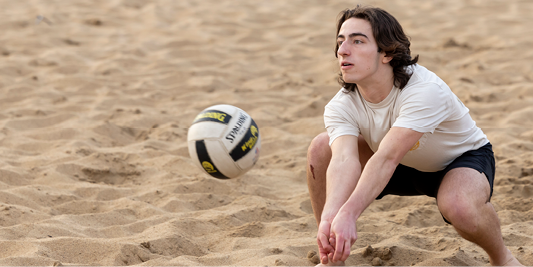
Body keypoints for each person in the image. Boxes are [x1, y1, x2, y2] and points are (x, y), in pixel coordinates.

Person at [306, 6, 523, 266]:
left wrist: (350, 213)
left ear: (386, 53)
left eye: (357, 41)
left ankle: (503, 259)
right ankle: (331, 255)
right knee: (322, 149)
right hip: (395, 164)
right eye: (340, 42)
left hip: (455, 162)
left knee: (460, 208)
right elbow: (343, 161)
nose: (342, 50)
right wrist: (332, 217)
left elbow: (387, 157)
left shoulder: (424, 90)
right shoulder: (341, 105)